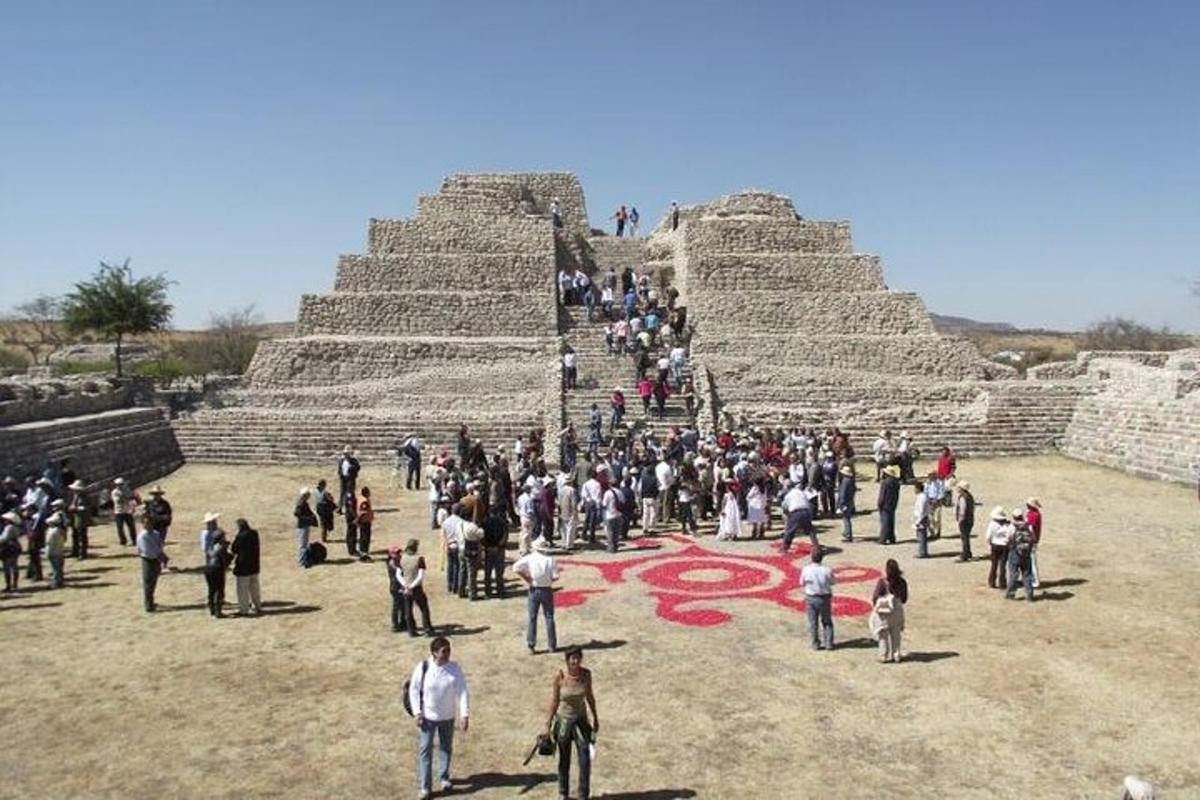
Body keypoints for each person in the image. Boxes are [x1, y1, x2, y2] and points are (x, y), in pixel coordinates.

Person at [408, 637, 470, 799]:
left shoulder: (454, 669)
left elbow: (462, 691)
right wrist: (417, 712)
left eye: (449, 650)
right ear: (434, 653)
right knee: (425, 751)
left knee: (445, 748)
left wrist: (464, 714)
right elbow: (414, 690)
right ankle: (425, 787)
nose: (448, 654)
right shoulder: (423, 668)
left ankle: (444, 777)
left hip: (447, 717)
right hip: (427, 718)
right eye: (444, 651)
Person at [544, 647, 599, 800]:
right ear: (567, 660)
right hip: (564, 722)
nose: (575, 661)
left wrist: (595, 717)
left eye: (577, 658)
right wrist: (548, 723)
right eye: (572, 658)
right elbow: (554, 701)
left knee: (585, 759)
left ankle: (583, 794)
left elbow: (590, 697)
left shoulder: (586, 675)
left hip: (581, 721)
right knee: (564, 759)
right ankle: (563, 793)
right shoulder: (560, 676)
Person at [513, 537, 559, 653]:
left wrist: (527, 578)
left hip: (534, 589)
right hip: (547, 590)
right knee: (549, 617)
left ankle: (531, 645)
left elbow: (515, 568)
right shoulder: (550, 559)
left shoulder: (530, 558)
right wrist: (547, 581)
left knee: (532, 617)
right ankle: (552, 645)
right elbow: (555, 577)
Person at [870, 559, 909, 663]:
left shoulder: (883, 581)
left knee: (883, 634)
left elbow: (875, 596)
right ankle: (896, 655)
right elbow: (904, 599)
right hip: (896, 610)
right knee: (896, 634)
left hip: (884, 612)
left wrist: (877, 606)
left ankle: (883, 656)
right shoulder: (902, 582)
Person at [395, 538, 434, 636]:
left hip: (406, 586)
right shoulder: (419, 558)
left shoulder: (402, 558)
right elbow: (420, 576)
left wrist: (405, 585)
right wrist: (412, 586)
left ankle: (411, 630)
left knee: (408, 609)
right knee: (424, 608)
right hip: (416, 587)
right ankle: (427, 628)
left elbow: (398, 574)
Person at [801, 548, 835, 650]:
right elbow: (833, 582)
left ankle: (815, 644)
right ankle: (829, 643)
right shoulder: (827, 570)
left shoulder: (806, 569)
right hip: (824, 597)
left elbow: (801, 583)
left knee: (813, 622)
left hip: (811, 597)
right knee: (827, 621)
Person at [229, 518, 262, 616]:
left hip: (243, 567)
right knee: (255, 588)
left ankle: (244, 610)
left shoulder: (240, 536)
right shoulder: (254, 533)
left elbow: (234, 549)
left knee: (242, 590)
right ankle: (257, 606)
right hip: (254, 565)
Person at [1006, 508, 1035, 602]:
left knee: (1014, 574)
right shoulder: (1028, 526)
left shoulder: (1011, 527)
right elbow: (1033, 538)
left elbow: (1008, 539)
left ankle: (1011, 594)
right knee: (1027, 574)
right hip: (1026, 554)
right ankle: (1029, 595)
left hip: (1014, 552)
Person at [136, 513, 164, 612]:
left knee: (153, 582)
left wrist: (161, 555)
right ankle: (148, 605)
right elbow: (146, 550)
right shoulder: (142, 536)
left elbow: (159, 545)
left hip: (155, 559)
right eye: (146, 523)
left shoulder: (156, 534)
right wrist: (159, 555)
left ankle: (151, 601)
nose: (148, 525)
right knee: (148, 583)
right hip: (148, 559)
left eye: (150, 523)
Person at [204, 528, 232, 617]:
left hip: (208, 569)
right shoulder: (221, 547)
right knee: (220, 590)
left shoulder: (210, 547)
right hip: (217, 569)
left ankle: (212, 609)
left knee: (211, 590)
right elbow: (225, 560)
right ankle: (218, 612)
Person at [780, 480, 815, 551]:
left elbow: (784, 507)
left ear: (787, 487)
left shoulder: (788, 495)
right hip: (806, 511)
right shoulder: (801, 492)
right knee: (810, 530)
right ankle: (816, 546)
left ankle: (784, 548)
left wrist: (787, 516)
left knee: (790, 530)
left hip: (796, 512)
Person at [481, 506, 508, 597]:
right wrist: (499, 545)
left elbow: (482, 536)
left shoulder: (484, 522)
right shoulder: (502, 522)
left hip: (488, 549)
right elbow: (505, 535)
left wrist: (486, 546)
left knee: (488, 572)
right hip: (499, 550)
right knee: (499, 572)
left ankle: (488, 592)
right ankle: (500, 591)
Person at [986, 506, 1012, 589]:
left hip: (995, 545)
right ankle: (1002, 583)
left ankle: (992, 581)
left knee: (994, 565)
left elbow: (988, 536)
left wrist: (990, 542)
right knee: (1002, 565)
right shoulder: (1007, 524)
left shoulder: (992, 524)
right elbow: (1009, 535)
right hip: (1004, 546)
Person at [44, 500, 67, 588]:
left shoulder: (59, 515)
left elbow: (49, 541)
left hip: (54, 541)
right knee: (59, 562)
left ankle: (56, 582)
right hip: (59, 538)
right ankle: (59, 580)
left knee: (55, 562)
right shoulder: (61, 515)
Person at [877, 465, 901, 545]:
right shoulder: (896, 482)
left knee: (885, 522)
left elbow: (882, 495)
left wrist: (879, 504)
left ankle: (883, 538)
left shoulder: (885, 483)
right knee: (891, 521)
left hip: (885, 504)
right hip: (893, 504)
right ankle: (891, 538)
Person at [294, 488, 318, 568]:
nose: (309, 496)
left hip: (304, 525)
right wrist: (308, 518)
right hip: (302, 526)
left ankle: (304, 560)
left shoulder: (303, 502)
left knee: (304, 544)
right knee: (303, 545)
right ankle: (302, 562)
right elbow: (297, 514)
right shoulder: (301, 503)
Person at [67, 479, 90, 559]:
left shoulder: (85, 497)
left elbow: (85, 507)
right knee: (75, 535)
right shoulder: (75, 495)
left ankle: (83, 553)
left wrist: (75, 508)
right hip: (75, 518)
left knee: (82, 536)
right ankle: (75, 551)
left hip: (81, 519)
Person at [110, 477, 137, 546]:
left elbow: (132, 498)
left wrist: (132, 507)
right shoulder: (114, 492)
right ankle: (123, 541)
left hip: (127, 511)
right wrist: (127, 497)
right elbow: (118, 501)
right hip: (119, 512)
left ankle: (134, 540)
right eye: (118, 484)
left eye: (121, 484)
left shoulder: (127, 490)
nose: (120, 486)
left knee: (131, 526)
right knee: (120, 528)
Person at [1, 510, 22, 592]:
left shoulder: (9, 527)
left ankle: (9, 585)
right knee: (14, 566)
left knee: (7, 567)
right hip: (15, 547)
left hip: (8, 548)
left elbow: (4, 538)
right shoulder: (16, 527)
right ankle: (15, 584)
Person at [954, 481, 975, 561]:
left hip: (964, 520)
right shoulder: (969, 496)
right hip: (969, 519)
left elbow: (962, 510)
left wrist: (960, 519)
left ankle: (965, 554)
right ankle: (968, 552)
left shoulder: (963, 497)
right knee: (966, 537)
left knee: (964, 537)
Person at [1025, 497, 1043, 588]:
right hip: (1033, 540)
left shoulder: (1033, 515)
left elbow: (1030, 528)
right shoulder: (1036, 514)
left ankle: (1035, 581)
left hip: (1031, 540)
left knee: (1032, 561)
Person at [336, 446, 360, 512]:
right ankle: (340, 507)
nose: (345, 455)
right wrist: (340, 475)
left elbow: (358, 468)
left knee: (350, 493)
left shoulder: (353, 460)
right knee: (342, 493)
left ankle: (351, 507)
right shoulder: (341, 461)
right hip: (343, 479)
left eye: (347, 454)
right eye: (344, 454)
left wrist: (351, 467)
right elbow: (339, 469)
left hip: (350, 479)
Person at [837, 465, 856, 542]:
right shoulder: (851, 481)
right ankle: (846, 532)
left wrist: (841, 504)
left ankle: (848, 534)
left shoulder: (845, 481)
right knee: (847, 518)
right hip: (850, 501)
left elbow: (842, 494)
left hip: (845, 503)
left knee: (846, 518)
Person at [912, 481, 930, 558]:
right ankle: (922, 551)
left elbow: (921, 510)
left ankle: (922, 552)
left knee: (921, 536)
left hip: (921, 518)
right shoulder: (922, 496)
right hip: (921, 517)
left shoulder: (922, 497)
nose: (914, 490)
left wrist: (918, 521)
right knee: (921, 535)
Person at [356, 486, 374, 562]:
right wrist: (358, 520)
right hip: (365, 522)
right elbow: (363, 512)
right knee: (365, 539)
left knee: (363, 538)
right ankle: (364, 555)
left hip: (364, 521)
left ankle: (363, 553)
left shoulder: (360, 498)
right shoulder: (364, 501)